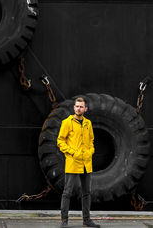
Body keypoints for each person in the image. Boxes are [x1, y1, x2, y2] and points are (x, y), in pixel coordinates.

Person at [57, 97, 100, 228]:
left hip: (86, 162)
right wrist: (72, 152)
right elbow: (60, 141)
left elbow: (91, 140)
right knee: (67, 192)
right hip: (73, 162)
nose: (78, 108)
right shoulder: (67, 122)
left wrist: (91, 151)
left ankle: (86, 220)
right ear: (74, 107)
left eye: (81, 107)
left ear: (85, 109)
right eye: (76, 106)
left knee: (87, 192)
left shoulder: (88, 123)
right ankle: (64, 221)